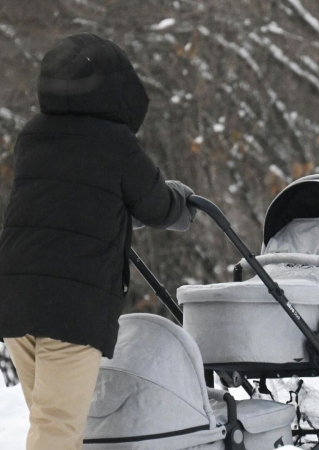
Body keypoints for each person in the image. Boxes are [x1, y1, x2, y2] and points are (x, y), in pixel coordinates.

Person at [0, 33, 196, 450]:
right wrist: (184, 201)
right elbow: (158, 205)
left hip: (16, 299)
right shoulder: (115, 144)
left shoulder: (33, 136)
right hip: (70, 307)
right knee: (57, 431)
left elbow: (70, 202)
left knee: (49, 422)